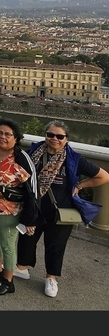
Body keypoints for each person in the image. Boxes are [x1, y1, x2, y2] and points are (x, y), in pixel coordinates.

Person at [14, 123, 108, 298]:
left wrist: (80, 185)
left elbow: (103, 176)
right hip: (35, 207)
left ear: (67, 139)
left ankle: (51, 278)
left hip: (61, 210)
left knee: (56, 245)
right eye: (50, 135)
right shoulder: (33, 152)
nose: (54, 139)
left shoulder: (73, 159)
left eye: (59, 136)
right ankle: (21, 268)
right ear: (45, 135)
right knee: (27, 237)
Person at [0, 119, 38, 296]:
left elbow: (33, 190)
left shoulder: (21, 158)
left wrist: (30, 218)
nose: (3, 137)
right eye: (0, 133)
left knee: (8, 245)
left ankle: (8, 281)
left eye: (8, 134)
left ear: (16, 138)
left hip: (9, 210)